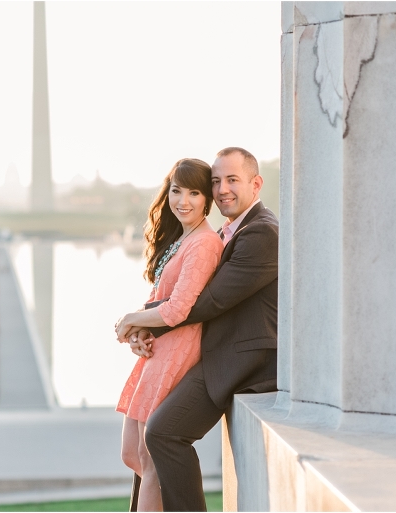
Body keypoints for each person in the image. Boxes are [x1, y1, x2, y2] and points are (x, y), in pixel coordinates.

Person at [119, 147, 279, 511]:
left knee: (163, 433)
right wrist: (146, 327)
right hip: (213, 347)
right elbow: (193, 299)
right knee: (145, 446)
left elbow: (208, 302)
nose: (223, 189)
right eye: (217, 181)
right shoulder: (229, 230)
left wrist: (140, 319)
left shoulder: (263, 233)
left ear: (256, 183)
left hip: (240, 358)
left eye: (233, 180)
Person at [114, 158, 223, 512]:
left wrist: (130, 318)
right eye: (177, 191)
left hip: (178, 353)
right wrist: (139, 331)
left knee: (150, 459)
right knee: (133, 452)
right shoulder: (183, 238)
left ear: (207, 198)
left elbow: (178, 309)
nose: (184, 201)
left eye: (194, 192)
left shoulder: (204, 243)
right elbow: (159, 301)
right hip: (158, 351)